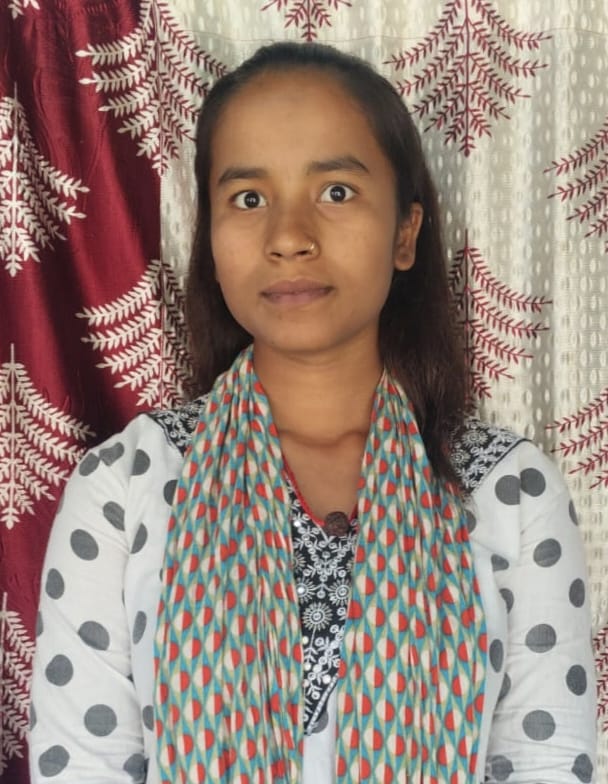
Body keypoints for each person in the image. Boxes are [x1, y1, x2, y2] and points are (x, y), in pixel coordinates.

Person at [29, 42, 596, 784]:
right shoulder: (124, 485)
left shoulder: (507, 491)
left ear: (405, 233)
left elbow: (549, 761)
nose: (289, 237)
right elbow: (83, 766)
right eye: (248, 198)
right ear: (210, 237)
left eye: (335, 191)